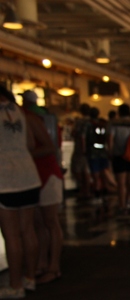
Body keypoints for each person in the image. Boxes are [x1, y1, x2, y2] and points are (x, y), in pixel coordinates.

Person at [0, 87, 41, 299]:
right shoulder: (20, 112)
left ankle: (15, 285)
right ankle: (30, 278)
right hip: (29, 176)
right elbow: (31, 143)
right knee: (28, 230)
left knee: (12, 235)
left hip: (5, 179)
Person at [22, 91, 64, 286]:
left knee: (50, 221)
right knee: (39, 222)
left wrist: (23, 154)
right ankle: (42, 263)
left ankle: (53, 267)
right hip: (33, 176)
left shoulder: (29, 118)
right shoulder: (25, 116)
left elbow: (49, 146)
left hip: (47, 174)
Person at [109, 103, 130, 215]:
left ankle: (122, 206)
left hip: (119, 155)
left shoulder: (115, 124)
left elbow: (110, 140)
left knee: (121, 183)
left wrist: (110, 153)